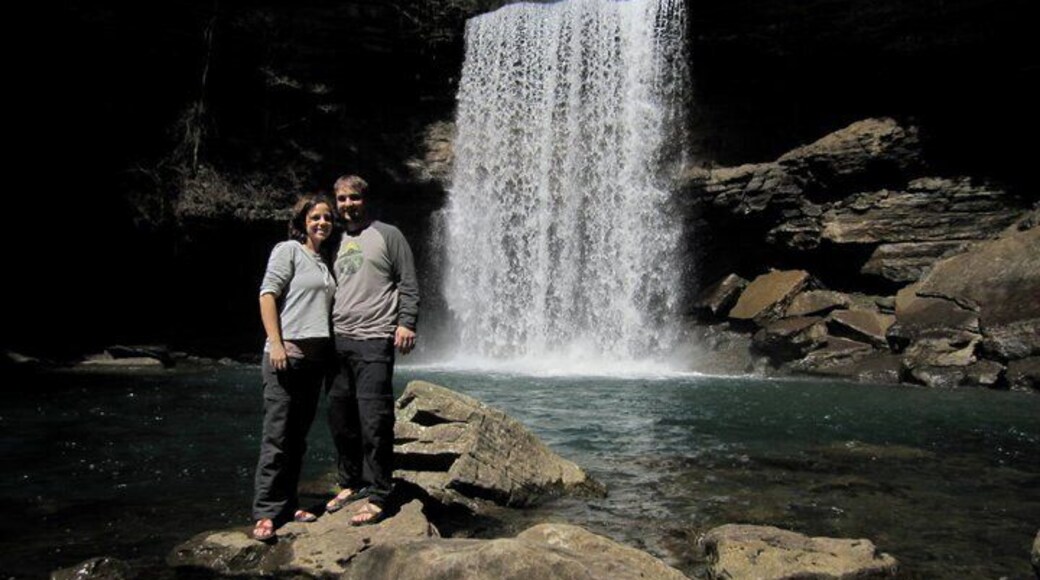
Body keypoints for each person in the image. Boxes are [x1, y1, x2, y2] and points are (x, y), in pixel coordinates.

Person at [325, 174, 419, 525]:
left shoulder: (388, 235)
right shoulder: (333, 240)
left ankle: (380, 492)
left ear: (365, 200)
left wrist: (407, 322)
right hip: (337, 341)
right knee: (340, 418)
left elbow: (408, 282)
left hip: (375, 338)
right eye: (342, 199)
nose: (347, 204)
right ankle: (351, 482)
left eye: (354, 198)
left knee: (374, 419)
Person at [251, 195, 337, 542]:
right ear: (302, 221)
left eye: (327, 218)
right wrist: (275, 343)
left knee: (297, 438)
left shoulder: (324, 260)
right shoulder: (288, 250)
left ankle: (288, 504)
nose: (322, 223)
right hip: (286, 356)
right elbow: (267, 294)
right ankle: (266, 511)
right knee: (277, 436)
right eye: (315, 217)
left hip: (315, 361)